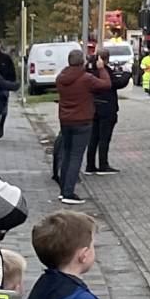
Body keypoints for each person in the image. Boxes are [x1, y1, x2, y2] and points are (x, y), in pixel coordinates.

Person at [50, 50, 104, 202]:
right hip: (83, 121)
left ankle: (63, 189)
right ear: (83, 62)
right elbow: (105, 84)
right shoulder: (86, 78)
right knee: (76, 157)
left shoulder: (61, 78)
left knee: (66, 154)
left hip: (65, 120)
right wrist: (101, 68)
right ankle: (69, 193)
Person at [85, 44, 122, 174]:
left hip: (93, 108)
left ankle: (90, 165)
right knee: (104, 138)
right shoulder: (105, 71)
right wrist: (127, 74)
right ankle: (103, 164)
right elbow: (114, 83)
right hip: (107, 108)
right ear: (106, 59)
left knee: (93, 138)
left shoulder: (89, 70)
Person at [0, 42, 16, 137]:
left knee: (3, 110)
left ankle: (0, 126)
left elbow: (11, 72)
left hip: (4, 87)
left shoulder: (5, 58)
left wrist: (11, 83)